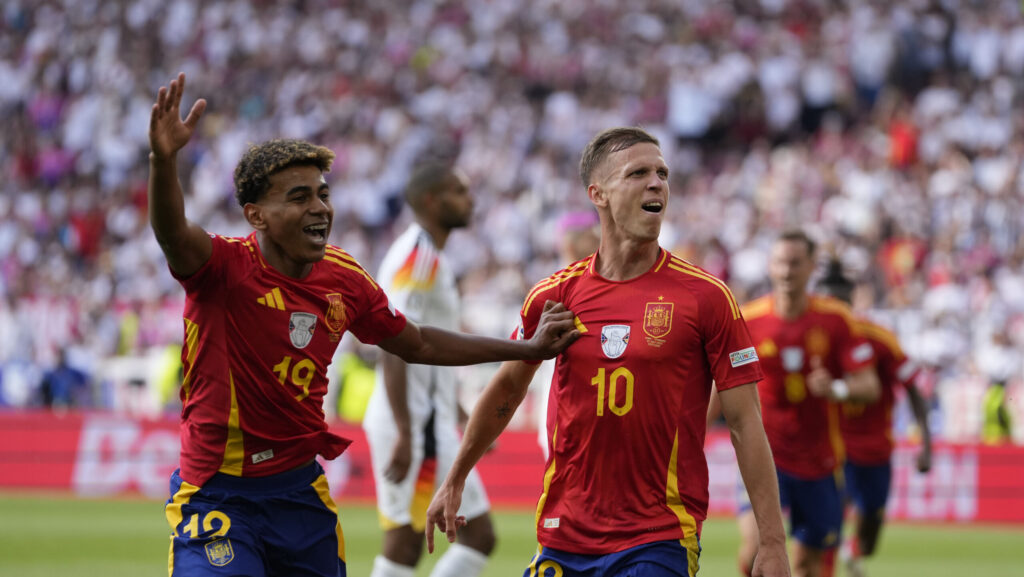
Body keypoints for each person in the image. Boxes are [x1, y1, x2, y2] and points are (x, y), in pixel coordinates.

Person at [148, 73, 578, 577]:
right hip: (219, 491)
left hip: (299, 492)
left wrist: (525, 349)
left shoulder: (345, 278)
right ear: (256, 215)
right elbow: (173, 233)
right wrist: (164, 161)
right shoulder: (222, 269)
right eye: (299, 197)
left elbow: (416, 342)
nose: (319, 208)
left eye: (322, 194)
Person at [426, 127, 791, 577]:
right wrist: (457, 476)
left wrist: (772, 543)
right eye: (638, 173)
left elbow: (745, 422)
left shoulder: (706, 297)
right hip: (563, 535)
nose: (657, 182)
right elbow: (506, 388)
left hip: (658, 537)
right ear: (597, 193)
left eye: (662, 173)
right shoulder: (554, 296)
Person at [362, 162, 496, 577]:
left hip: (432, 424)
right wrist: (405, 430)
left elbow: (430, 352)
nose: (469, 199)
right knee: (406, 542)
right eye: (459, 191)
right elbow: (392, 340)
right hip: (412, 425)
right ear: (431, 201)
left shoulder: (430, 256)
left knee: (479, 536)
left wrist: (460, 415)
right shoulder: (417, 257)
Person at [738, 230, 881, 577]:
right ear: (770, 267)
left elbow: (869, 385)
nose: (786, 271)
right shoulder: (749, 319)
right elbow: (722, 385)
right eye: (780, 262)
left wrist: (836, 389)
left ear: (812, 267)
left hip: (819, 461)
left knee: (807, 564)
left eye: (795, 263)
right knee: (755, 548)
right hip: (764, 456)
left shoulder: (835, 320)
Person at [816, 259, 932, 577]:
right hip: (832, 447)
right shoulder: (813, 338)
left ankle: (854, 553)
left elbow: (914, 389)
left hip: (874, 450)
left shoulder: (881, 339)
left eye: (838, 303)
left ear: (851, 303)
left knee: (869, 537)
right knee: (828, 520)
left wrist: (926, 443)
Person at [535, 210, 601, 459]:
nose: (598, 240)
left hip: (594, 410)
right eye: (590, 235)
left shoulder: (595, 282)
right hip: (563, 411)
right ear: (570, 243)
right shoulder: (554, 289)